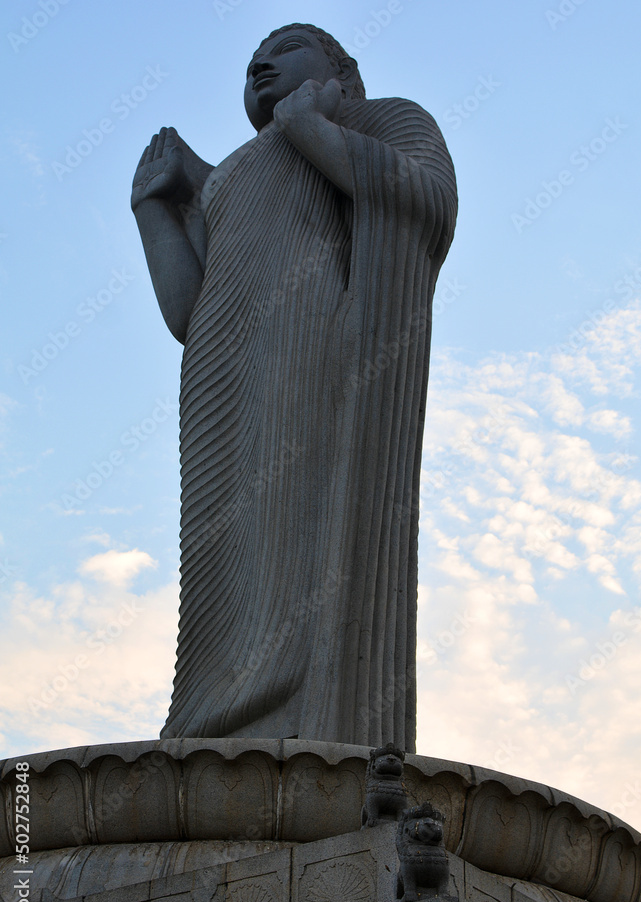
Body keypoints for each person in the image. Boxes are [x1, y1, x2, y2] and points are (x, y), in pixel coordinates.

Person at [132, 23, 457, 750]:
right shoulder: (231, 175)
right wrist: (156, 209)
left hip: (307, 347)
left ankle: (296, 702)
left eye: (285, 48)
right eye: (253, 60)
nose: (259, 64)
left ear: (340, 67)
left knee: (291, 519)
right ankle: (207, 716)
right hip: (219, 372)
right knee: (221, 550)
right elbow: (190, 311)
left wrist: (309, 124)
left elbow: (427, 200)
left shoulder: (383, 118)